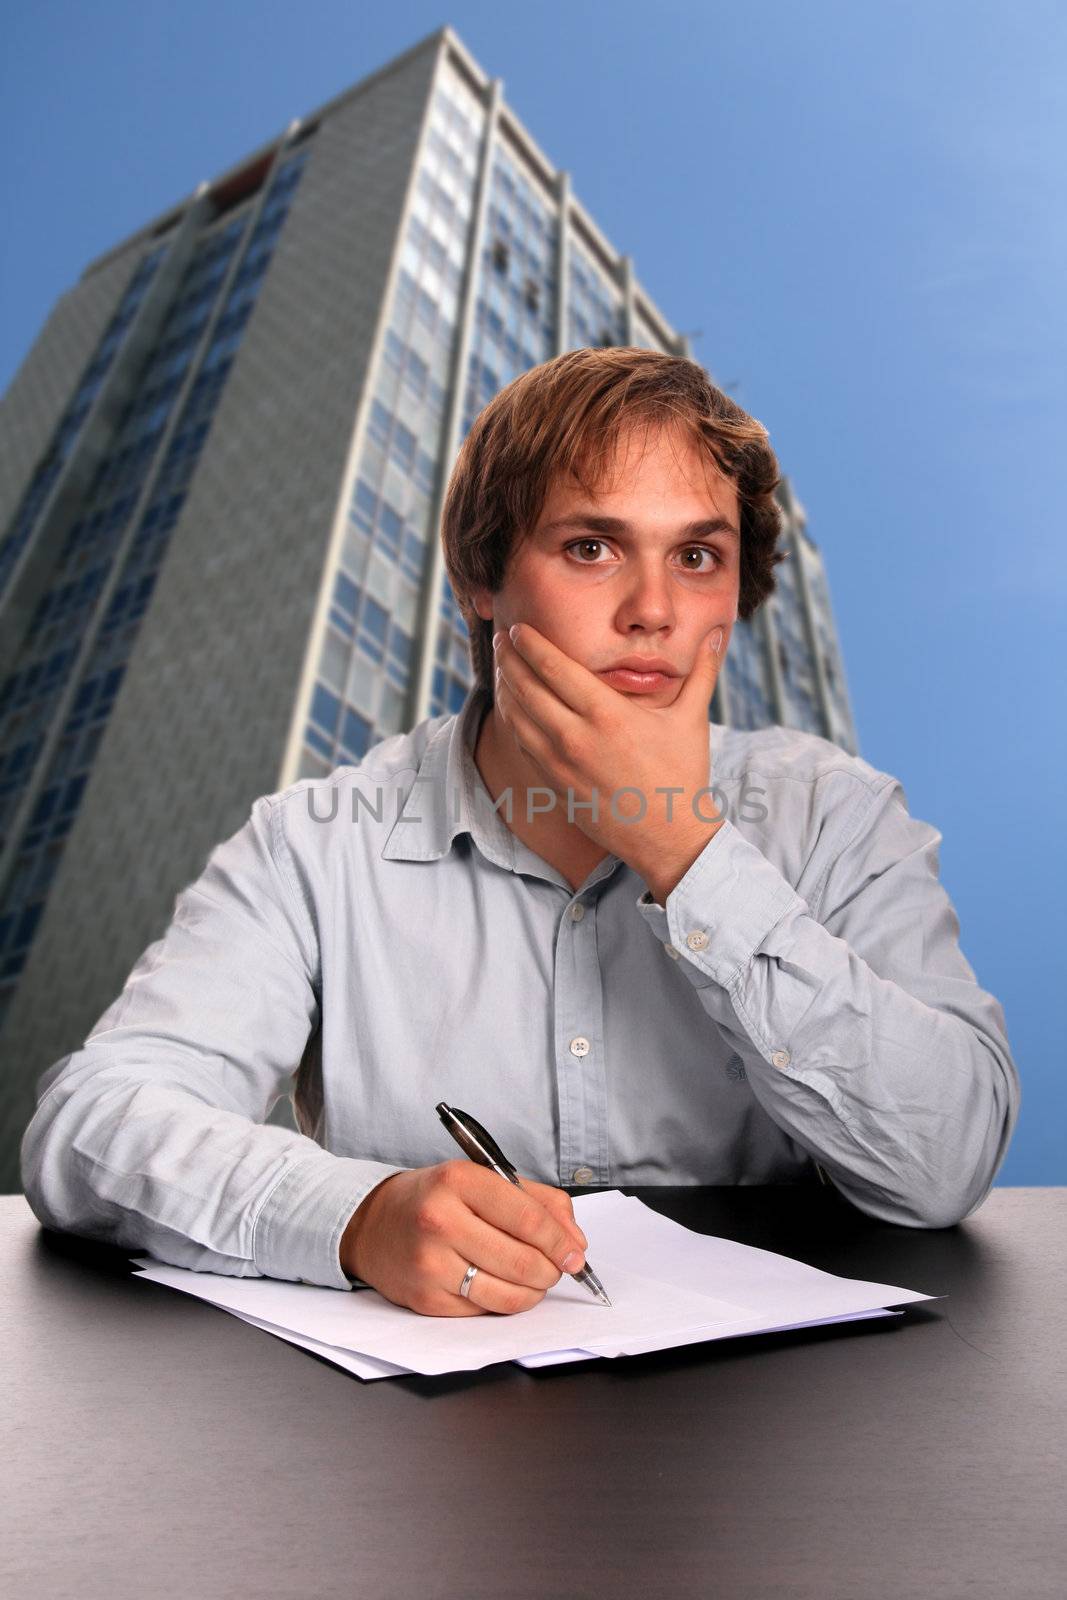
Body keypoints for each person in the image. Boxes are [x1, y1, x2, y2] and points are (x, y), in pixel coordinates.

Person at [20, 348, 1020, 1319]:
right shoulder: (315, 842)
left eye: (696, 556)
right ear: (481, 585)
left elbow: (944, 1165)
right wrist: (350, 1215)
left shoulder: (835, 816)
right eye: (590, 547)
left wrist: (685, 854)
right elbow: (89, 1126)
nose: (653, 611)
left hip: (784, 1435)